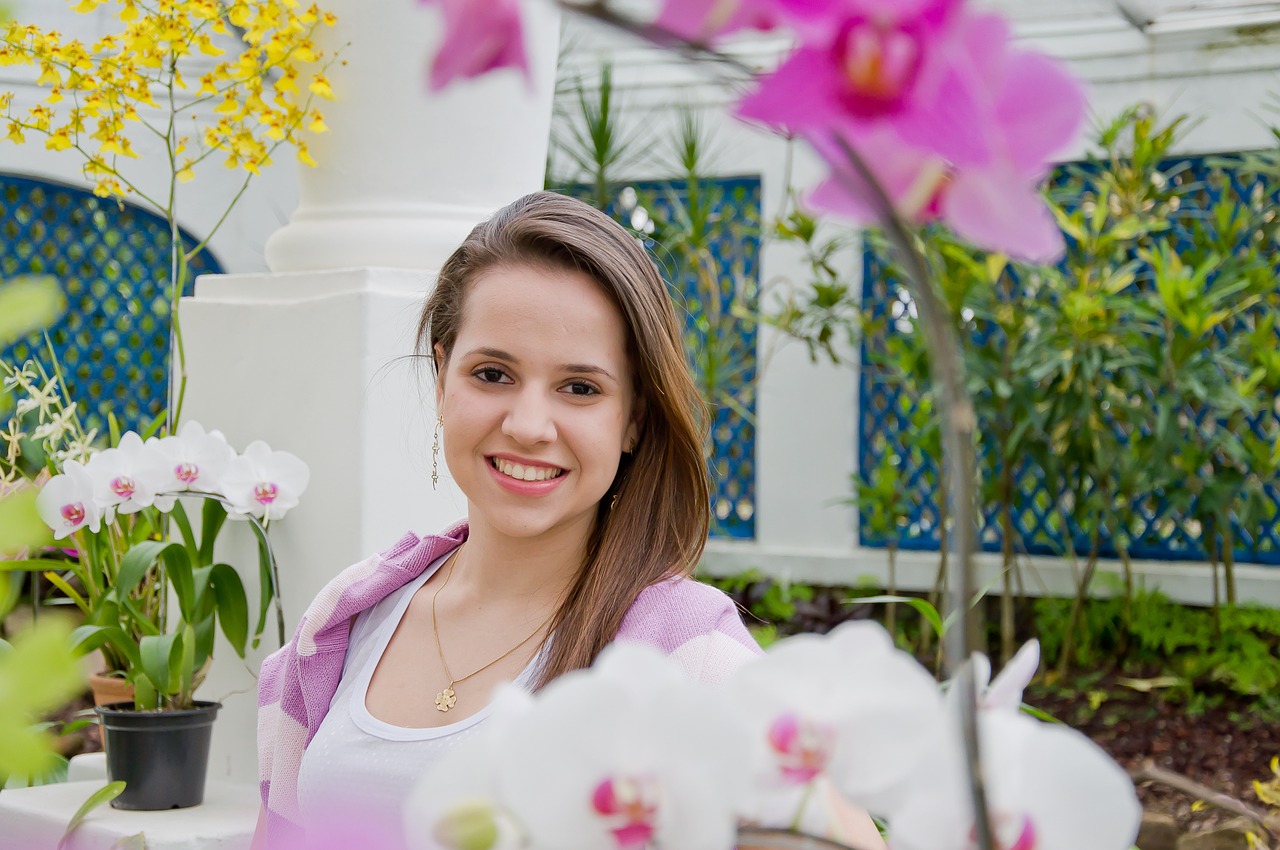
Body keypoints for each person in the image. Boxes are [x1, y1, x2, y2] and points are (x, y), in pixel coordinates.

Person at [253, 191, 765, 847]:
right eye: (493, 374)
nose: (527, 426)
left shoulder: (687, 649)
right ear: (442, 381)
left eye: (580, 388)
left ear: (634, 416)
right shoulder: (344, 620)